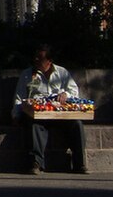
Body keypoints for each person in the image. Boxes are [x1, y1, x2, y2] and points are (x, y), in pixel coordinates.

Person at [13, 44, 87, 175]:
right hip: (37, 114)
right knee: (35, 126)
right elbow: (19, 97)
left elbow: (74, 90)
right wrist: (16, 114)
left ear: (49, 61)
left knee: (77, 124)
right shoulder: (27, 75)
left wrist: (66, 95)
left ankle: (79, 163)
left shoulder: (62, 73)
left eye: (40, 58)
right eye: (35, 57)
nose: (36, 60)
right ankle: (36, 163)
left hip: (58, 114)